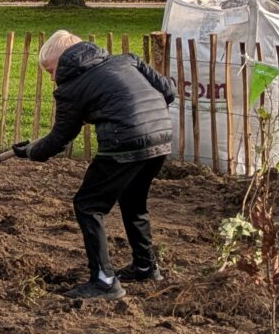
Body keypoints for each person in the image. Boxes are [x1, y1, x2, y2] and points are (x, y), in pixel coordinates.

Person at [13, 29, 177, 303]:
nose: (53, 78)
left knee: (88, 205)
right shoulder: (127, 61)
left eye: (51, 70)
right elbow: (169, 90)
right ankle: (146, 266)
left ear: (64, 60)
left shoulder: (72, 88)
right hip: (160, 136)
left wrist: (30, 152)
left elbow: (59, 139)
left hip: (124, 141)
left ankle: (104, 281)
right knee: (133, 200)